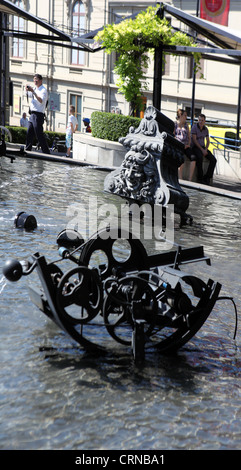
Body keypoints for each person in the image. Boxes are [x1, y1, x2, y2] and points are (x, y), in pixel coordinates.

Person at [25, 74, 50, 154]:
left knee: (39, 134)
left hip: (38, 115)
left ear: (40, 80)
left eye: (36, 80)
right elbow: (28, 95)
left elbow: (41, 100)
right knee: (29, 131)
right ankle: (27, 149)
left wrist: (33, 92)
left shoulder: (43, 90)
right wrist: (27, 89)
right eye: (34, 79)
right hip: (32, 114)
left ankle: (46, 152)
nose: (35, 81)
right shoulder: (35, 88)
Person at [191, 113, 217, 185]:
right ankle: (200, 178)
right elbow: (194, 140)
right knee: (199, 157)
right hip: (195, 147)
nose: (200, 122)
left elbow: (208, 141)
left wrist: (205, 149)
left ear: (204, 121)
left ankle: (207, 177)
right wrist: (202, 150)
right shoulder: (194, 127)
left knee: (213, 160)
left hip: (203, 147)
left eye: (202, 120)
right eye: (199, 120)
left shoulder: (206, 129)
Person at [174, 109, 196, 181]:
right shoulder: (175, 124)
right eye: (185, 115)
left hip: (186, 146)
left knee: (193, 157)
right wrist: (178, 144)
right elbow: (173, 135)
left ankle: (190, 178)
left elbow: (189, 137)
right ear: (180, 115)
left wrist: (188, 144)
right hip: (178, 145)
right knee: (181, 158)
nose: (186, 117)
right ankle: (180, 177)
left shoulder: (186, 125)